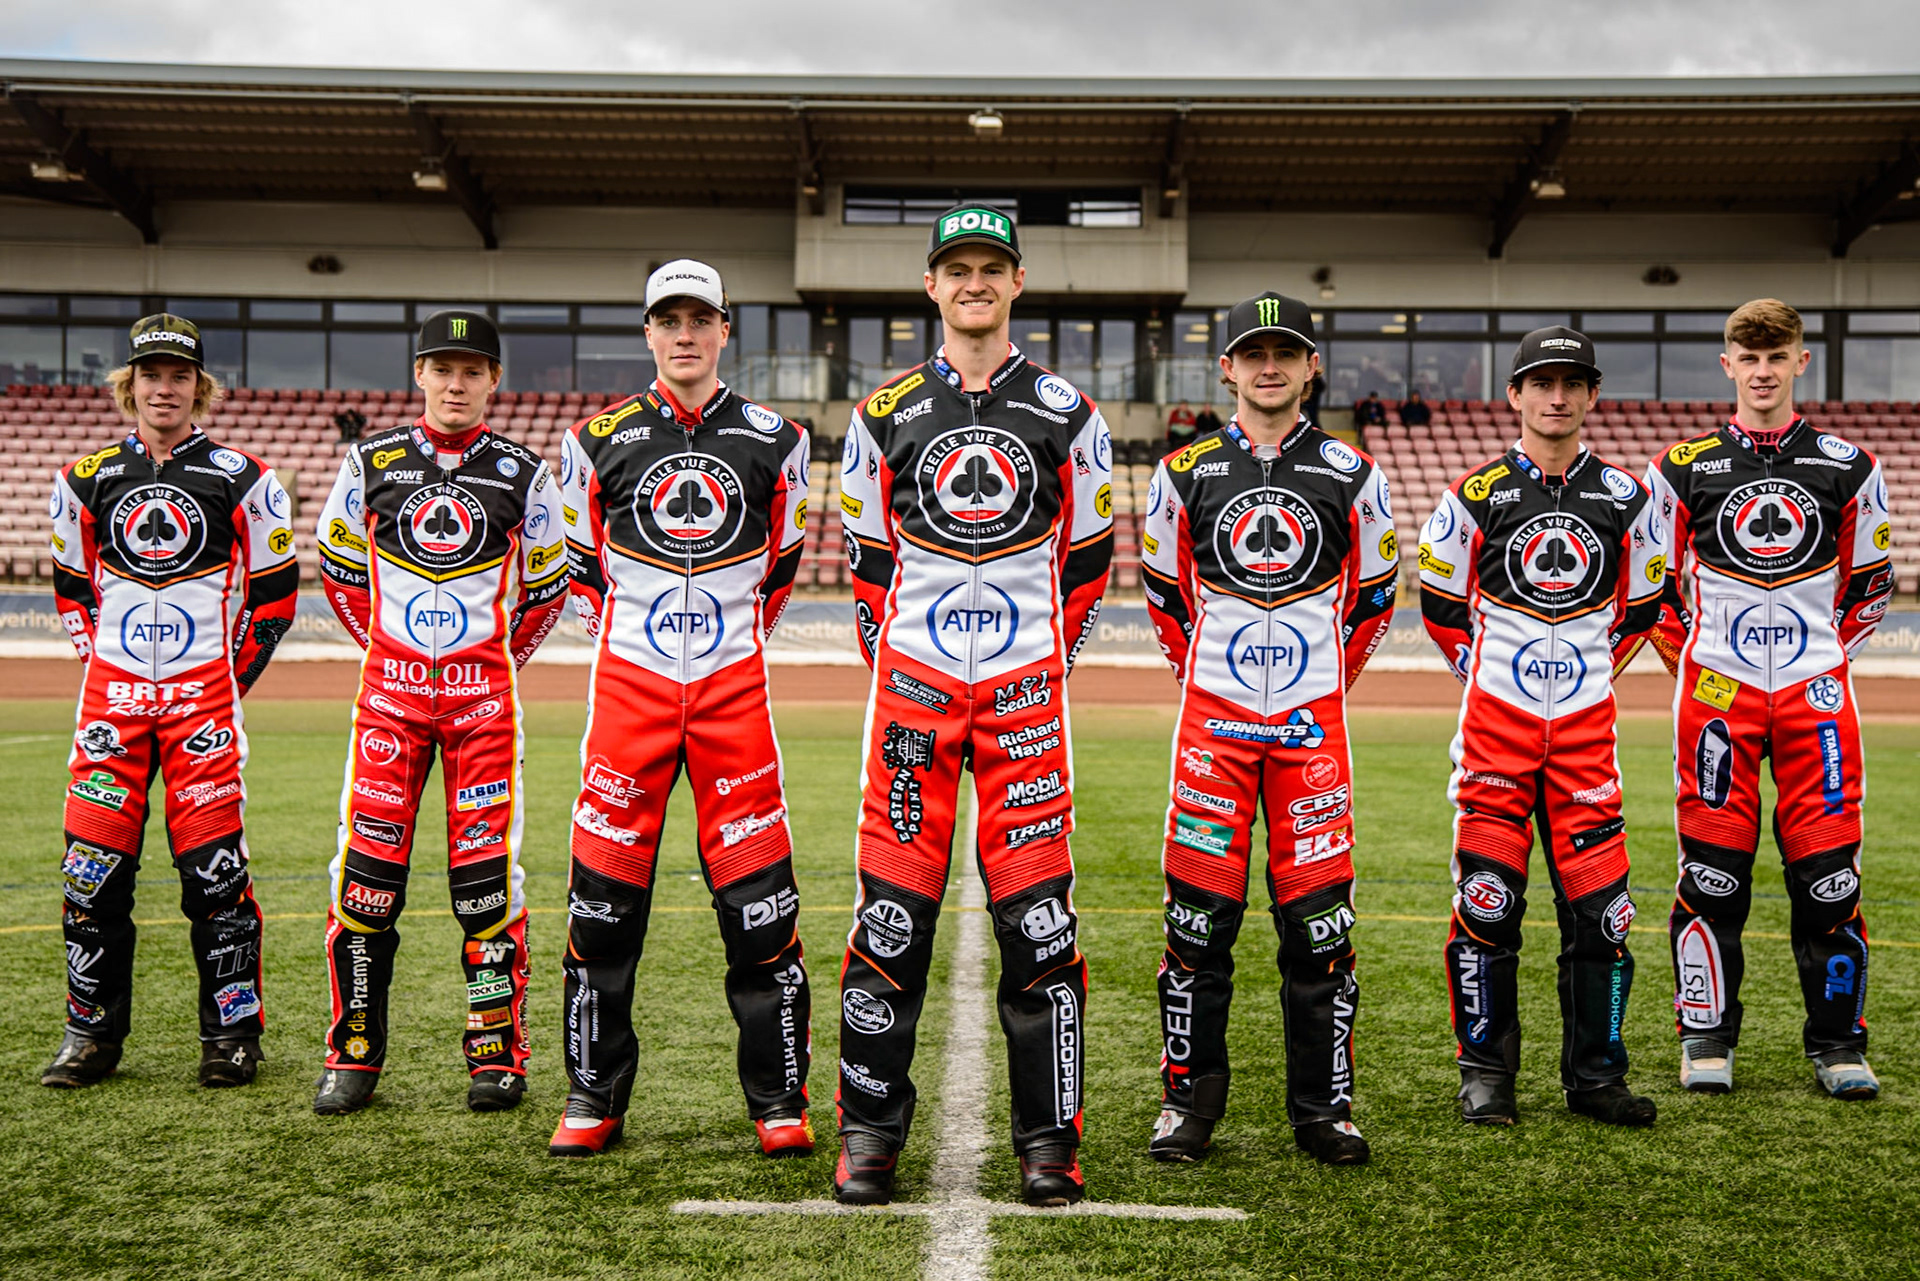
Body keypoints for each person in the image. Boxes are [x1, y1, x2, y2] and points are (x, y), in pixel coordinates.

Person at [834, 204, 1113, 1207]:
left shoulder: (1074, 416)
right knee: (893, 921)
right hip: (912, 696)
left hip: (1025, 702)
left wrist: (1041, 667)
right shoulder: (880, 414)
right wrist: (902, 669)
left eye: (991, 268)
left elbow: (1088, 566)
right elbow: (865, 569)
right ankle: (868, 1132)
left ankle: (1049, 1141)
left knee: (1039, 926)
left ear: (1017, 282)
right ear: (931, 286)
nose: (974, 284)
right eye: (957, 269)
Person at [549, 260, 815, 1159]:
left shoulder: (779, 440)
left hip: (736, 697)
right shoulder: (593, 440)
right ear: (650, 332)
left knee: (760, 912)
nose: (685, 332)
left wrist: (721, 646)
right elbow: (580, 567)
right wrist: (645, 648)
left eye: (701, 316)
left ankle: (779, 1097)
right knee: (602, 914)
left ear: (725, 329)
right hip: (629, 695)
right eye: (669, 318)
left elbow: (781, 569)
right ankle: (593, 1096)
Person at [1139, 292, 1397, 1167]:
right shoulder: (1182, 472)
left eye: (1286, 351)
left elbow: (1374, 600)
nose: (1270, 366)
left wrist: (1319, 689)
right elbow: (1166, 598)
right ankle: (1187, 1106)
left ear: (1311, 365)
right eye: (1254, 353)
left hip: (1312, 739)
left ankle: (1325, 1110)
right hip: (1212, 734)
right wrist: (1211, 684)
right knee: (1198, 925)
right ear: (1228, 368)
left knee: (1320, 928)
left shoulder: (1356, 474)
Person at [309, 309, 568, 1115]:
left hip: (485, 711)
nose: (456, 383)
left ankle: (495, 1054)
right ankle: (353, 1055)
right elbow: (337, 564)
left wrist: (490, 667)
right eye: (441, 368)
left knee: (486, 890)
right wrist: (386, 654)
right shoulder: (370, 460)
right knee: (366, 885)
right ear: (418, 373)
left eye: (473, 370)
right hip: (387, 705)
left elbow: (549, 588)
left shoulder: (526, 472)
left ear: (496, 380)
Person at [1643, 298, 1890, 1100]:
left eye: (1776, 356)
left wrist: (1819, 663)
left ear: (1800, 363)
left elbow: (1870, 588)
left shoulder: (1852, 466)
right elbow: (1652, 589)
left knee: (1829, 879)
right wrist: (1705, 666)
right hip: (1717, 698)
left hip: (1817, 699)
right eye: (1748, 358)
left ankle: (1838, 1042)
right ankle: (1706, 1035)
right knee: (1712, 872)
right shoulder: (1680, 467)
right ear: (1727, 366)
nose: (1762, 370)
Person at [1418, 327, 1665, 1128]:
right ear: (1515, 394)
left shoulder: (1631, 499)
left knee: (1604, 919)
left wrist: (1583, 681)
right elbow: (1442, 609)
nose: (1556, 397)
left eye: (1572, 382)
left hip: (1588, 742)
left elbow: (1639, 612)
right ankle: (1486, 1073)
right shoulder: (1472, 496)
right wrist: (1497, 682)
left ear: (1593, 395)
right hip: (1495, 736)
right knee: (1488, 908)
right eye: (1541, 382)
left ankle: (1595, 1076)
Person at [43, 313, 297, 1089]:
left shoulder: (246, 478)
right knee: (90, 876)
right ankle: (89, 1037)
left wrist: (221, 683)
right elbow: (71, 593)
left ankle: (230, 1036)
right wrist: (113, 673)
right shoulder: (82, 479)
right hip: (110, 712)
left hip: (205, 713)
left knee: (216, 878)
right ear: (130, 384)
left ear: (199, 388)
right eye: (151, 375)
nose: (164, 388)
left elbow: (275, 601)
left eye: (179, 376)